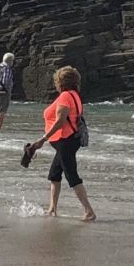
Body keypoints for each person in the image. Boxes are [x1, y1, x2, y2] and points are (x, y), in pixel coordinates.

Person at [34, 65, 96, 222]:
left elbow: (60, 121)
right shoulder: (75, 95)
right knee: (54, 175)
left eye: (56, 80)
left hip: (65, 140)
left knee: (72, 176)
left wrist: (43, 139)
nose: (55, 83)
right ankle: (52, 209)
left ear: (60, 82)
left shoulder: (64, 97)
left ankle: (89, 211)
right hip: (69, 140)